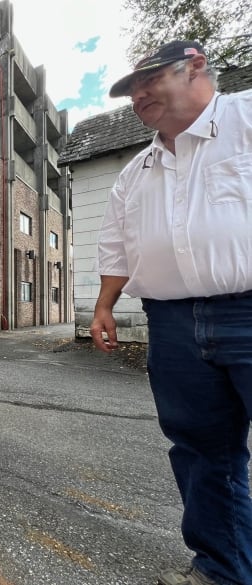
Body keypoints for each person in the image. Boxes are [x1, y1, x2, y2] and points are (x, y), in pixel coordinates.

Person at [90, 40, 252, 585]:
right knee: (202, 452)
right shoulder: (134, 173)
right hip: (174, 324)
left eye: (147, 81)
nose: (137, 97)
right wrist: (105, 305)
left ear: (196, 66)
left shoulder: (246, 119)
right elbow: (117, 245)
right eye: (130, 91)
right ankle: (222, 571)